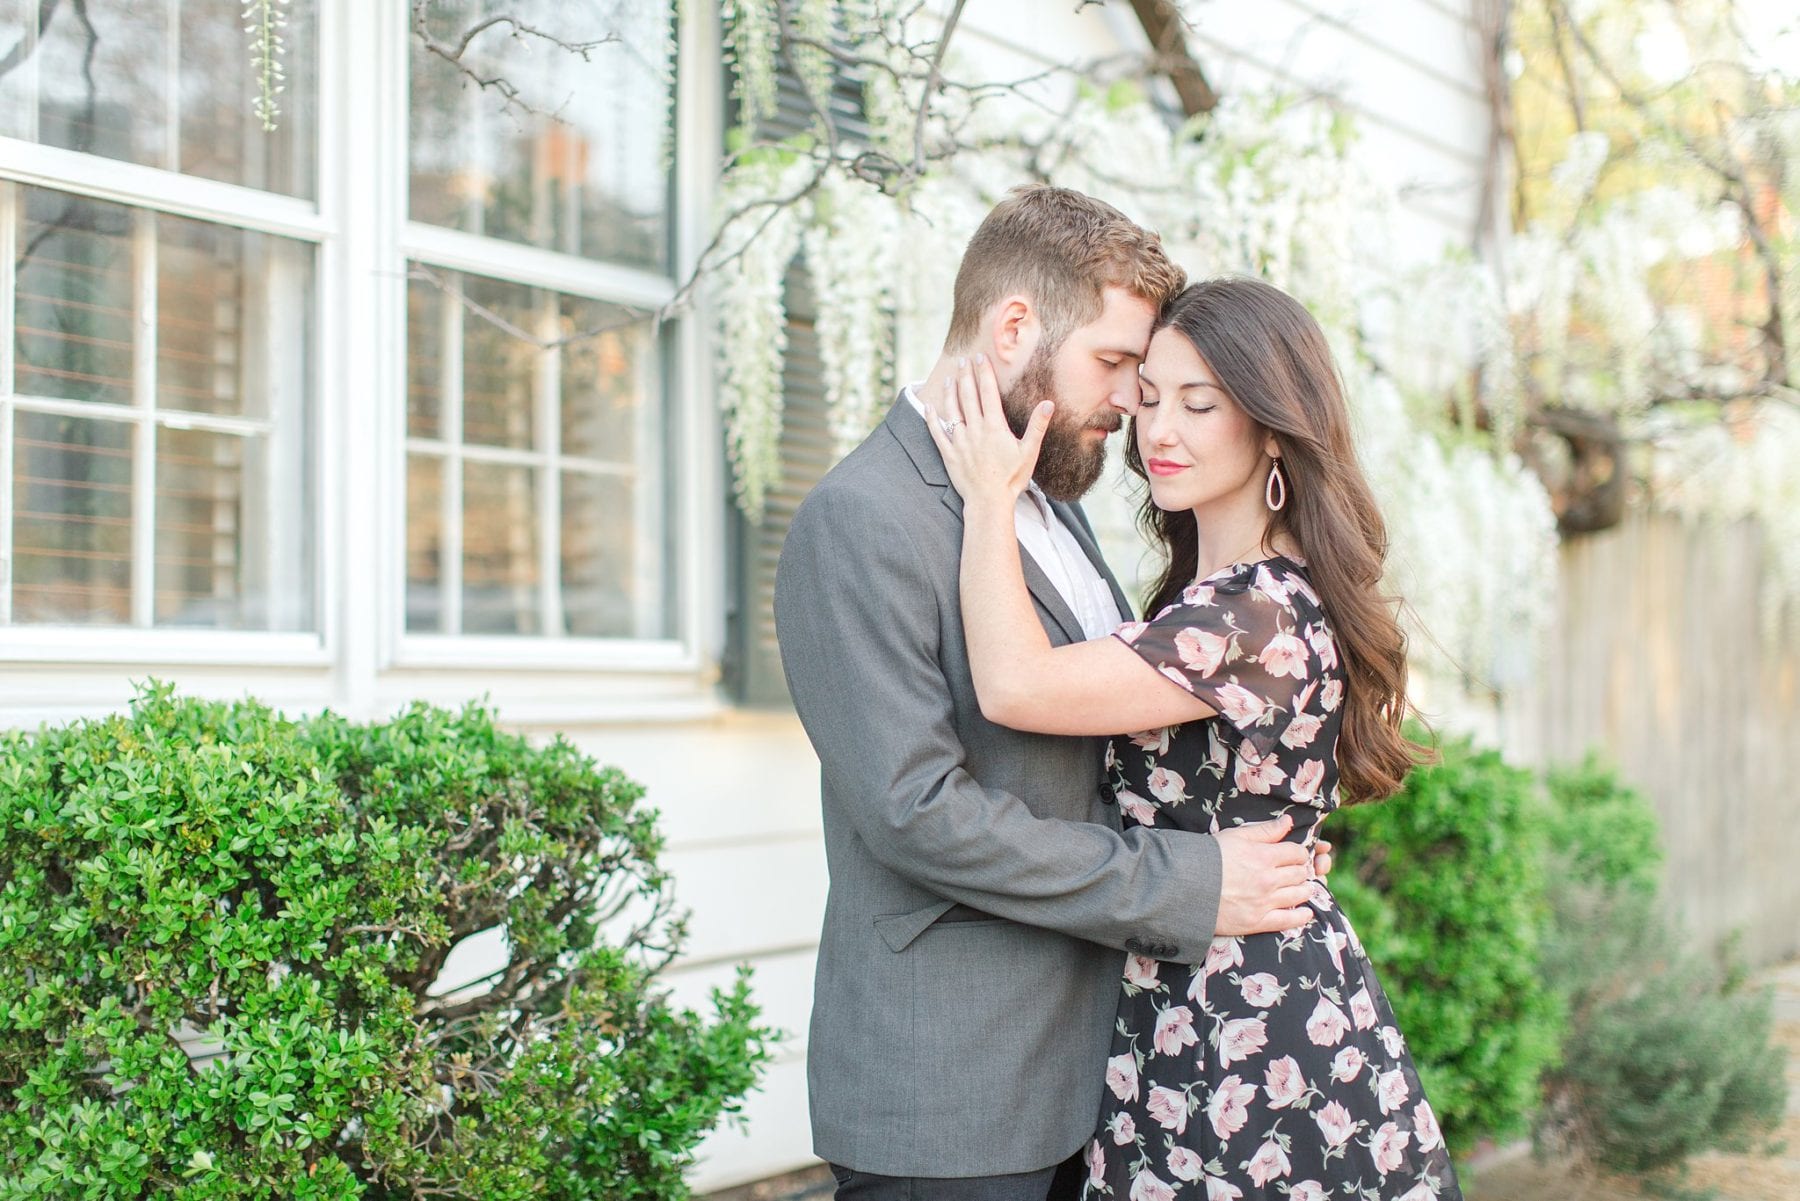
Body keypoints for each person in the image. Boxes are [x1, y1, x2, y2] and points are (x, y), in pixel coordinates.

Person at [775, 188, 1334, 1201]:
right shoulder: (862, 519)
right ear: (1014, 328)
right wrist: (1192, 880)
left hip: (1106, 1076)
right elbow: (917, 815)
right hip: (952, 1092)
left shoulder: (1045, 500)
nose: (1133, 402)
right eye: (1116, 365)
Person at [923, 276, 1462, 1200]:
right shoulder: (1220, 598)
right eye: (1149, 399)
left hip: (1243, 1022)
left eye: (1198, 404)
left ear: (1272, 424)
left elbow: (1014, 686)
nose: (1159, 430)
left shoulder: (1252, 611)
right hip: (1202, 989)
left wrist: (986, 497)